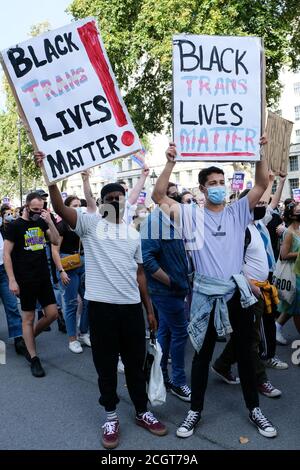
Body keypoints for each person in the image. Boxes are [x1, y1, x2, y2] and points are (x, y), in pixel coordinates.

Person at [34, 151, 167, 450]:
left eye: (121, 196)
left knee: (135, 365)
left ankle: (142, 411)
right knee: (106, 366)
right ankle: (110, 415)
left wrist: (149, 311)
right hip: (102, 310)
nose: (118, 200)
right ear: (104, 201)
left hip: (132, 310)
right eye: (112, 197)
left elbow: (140, 275)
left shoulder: (133, 234)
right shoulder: (91, 224)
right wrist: (50, 176)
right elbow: (59, 207)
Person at [152, 140, 278, 439]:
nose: (219, 186)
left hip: (237, 295)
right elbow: (158, 196)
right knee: (202, 355)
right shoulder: (190, 215)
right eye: (212, 183)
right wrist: (169, 161)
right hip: (206, 297)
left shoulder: (238, 212)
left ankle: (254, 409)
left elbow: (261, 183)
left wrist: (258, 154)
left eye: (222, 182)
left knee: (247, 354)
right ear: (202, 189)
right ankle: (195, 410)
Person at [3, 192, 60, 377]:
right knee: (27, 318)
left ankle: (29, 339)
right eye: (34, 209)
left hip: (43, 277)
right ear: (26, 206)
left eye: (41, 208)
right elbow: (6, 255)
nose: (37, 212)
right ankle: (34, 358)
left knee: (52, 314)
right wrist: (11, 279)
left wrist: (49, 220)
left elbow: (56, 240)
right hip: (25, 279)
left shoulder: (42, 222)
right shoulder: (14, 226)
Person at [141, 205, 191, 401]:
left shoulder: (171, 222)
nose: (179, 203)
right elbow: (147, 259)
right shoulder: (154, 222)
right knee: (180, 333)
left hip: (175, 290)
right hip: (166, 291)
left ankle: (160, 375)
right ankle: (178, 382)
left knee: (166, 331)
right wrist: (171, 281)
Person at [51, 196, 90, 353]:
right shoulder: (61, 226)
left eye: (80, 205)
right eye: (75, 205)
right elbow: (54, 250)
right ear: (66, 208)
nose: (79, 208)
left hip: (83, 263)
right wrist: (61, 271)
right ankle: (72, 339)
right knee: (71, 303)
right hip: (67, 265)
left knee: (89, 300)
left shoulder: (83, 224)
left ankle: (84, 331)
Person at [276, 202, 300, 341]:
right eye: (298, 211)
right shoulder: (289, 232)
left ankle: (277, 327)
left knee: (292, 305)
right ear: (292, 216)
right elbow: (283, 255)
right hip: (294, 275)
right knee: (296, 308)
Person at [0, 229, 26, 356]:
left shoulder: (4, 230)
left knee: (12, 306)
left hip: (3, 271)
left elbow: (9, 252)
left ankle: (19, 339)